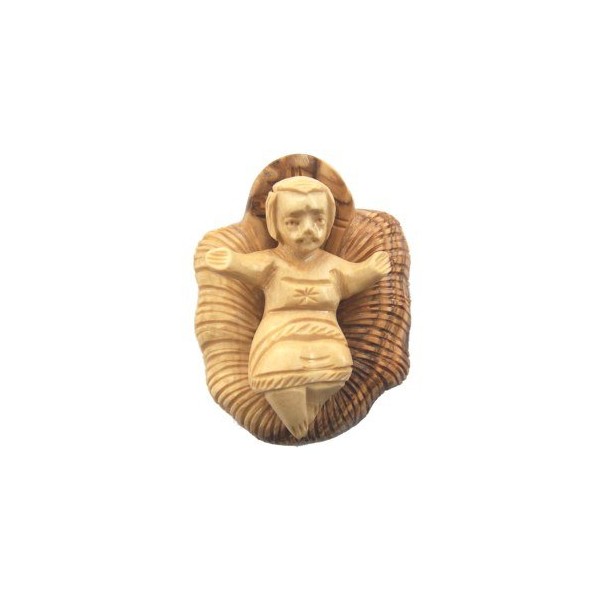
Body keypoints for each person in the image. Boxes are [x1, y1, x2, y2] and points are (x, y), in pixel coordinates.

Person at [204, 176, 390, 439]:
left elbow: (353, 278)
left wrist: (371, 270)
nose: (308, 230)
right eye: (293, 222)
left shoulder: (332, 265)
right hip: (279, 334)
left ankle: (312, 407)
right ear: (274, 224)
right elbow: (248, 266)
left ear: (329, 222)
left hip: (325, 333)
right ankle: (292, 417)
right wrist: (230, 262)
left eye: (318, 221)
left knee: (336, 367)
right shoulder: (272, 263)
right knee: (278, 367)